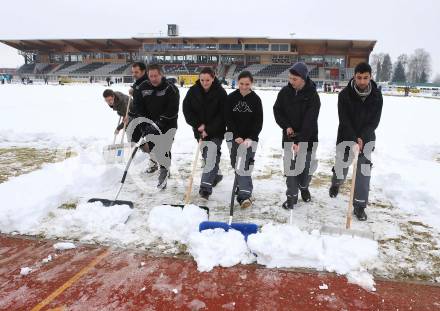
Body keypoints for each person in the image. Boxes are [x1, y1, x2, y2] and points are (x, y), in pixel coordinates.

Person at [329, 62, 383, 221]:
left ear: (370, 77)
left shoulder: (377, 96)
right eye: (359, 77)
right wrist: (353, 139)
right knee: (342, 166)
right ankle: (336, 183)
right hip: (346, 137)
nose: (362, 81)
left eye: (365, 78)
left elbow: (374, 121)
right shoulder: (344, 95)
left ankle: (359, 206)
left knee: (363, 173)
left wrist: (362, 138)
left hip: (366, 140)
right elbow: (344, 120)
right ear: (354, 76)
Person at [273, 62, 321, 210]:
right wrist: (286, 126)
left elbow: (310, 121)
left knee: (305, 171)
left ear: (303, 78)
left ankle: (304, 187)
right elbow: (277, 110)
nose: (291, 81)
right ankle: (291, 198)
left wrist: (300, 141)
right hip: (289, 137)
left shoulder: (313, 96)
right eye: (290, 78)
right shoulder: (284, 92)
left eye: (294, 79)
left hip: (308, 138)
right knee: (291, 170)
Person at [128, 63, 180, 189]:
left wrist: (160, 123)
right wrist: (144, 124)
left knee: (164, 147)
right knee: (154, 148)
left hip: (168, 124)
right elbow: (139, 108)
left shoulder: (170, 88)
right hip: (149, 124)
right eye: (151, 76)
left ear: (161, 75)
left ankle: (163, 172)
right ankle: (163, 165)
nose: (153, 78)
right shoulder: (142, 88)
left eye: (156, 76)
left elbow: (172, 109)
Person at [183, 67, 227, 200]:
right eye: (202, 80)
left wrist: (209, 129)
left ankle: (205, 189)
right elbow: (187, 110)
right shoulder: (193, 91)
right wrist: (198, 125)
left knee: (211, 156)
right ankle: (216, 175)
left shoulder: (220, 92)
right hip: (200, 131)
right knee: (208, 156)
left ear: (213, 78)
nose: (204, 82)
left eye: (207, 80)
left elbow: (223, 115)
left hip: (216, 131)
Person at [224, 71, 263, 209]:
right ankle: (246, 188)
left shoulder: (256, 100)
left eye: (247, 84)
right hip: (234, 137)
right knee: (236, 164)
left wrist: (250, 137)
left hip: (250, 139)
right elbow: (228, 118)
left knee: (244, 165)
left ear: (251, 83)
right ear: (237, 82)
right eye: (241, 84)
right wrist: (236, 136)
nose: (244, 86)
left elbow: (258, 121)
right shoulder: (231, 98)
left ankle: (244, 196)